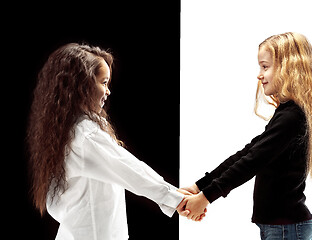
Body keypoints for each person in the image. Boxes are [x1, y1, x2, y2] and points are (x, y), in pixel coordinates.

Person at [27, 43, 193, 240]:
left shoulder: (67, 130)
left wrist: (176, 195)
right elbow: (131, 170)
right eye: (103, 82)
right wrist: (178, 199)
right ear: (82, 85)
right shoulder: (84, 135)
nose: (108, 92)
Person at [181, 32, 312, 240]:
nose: (259, 75)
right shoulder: (287, 114)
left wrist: (205, 197)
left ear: (289, 68)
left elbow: (251, 162)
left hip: (286, 229)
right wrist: (200, 186)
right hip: (280, 227)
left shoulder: (292, 117)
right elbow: (248, 152)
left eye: (265, 66)